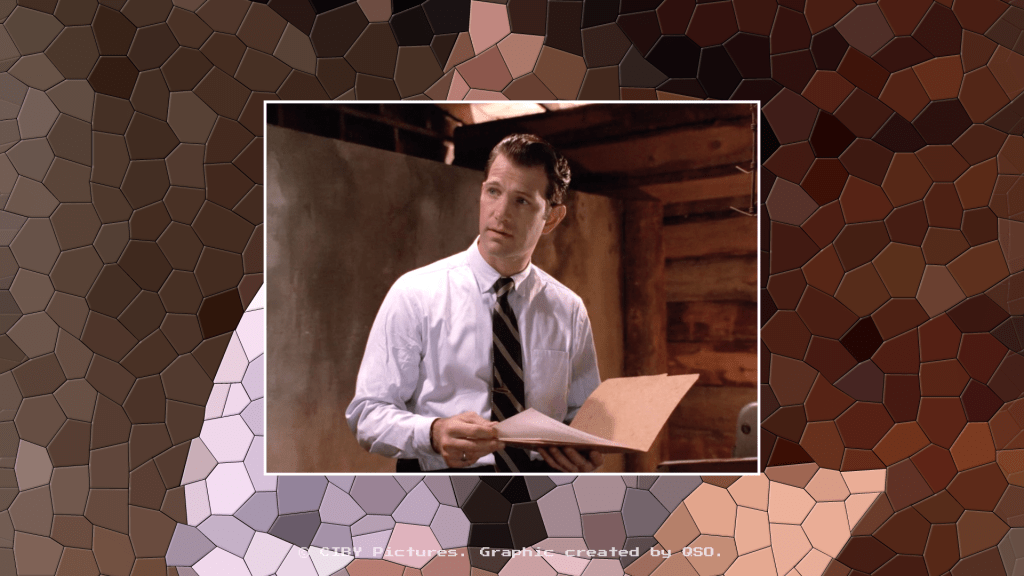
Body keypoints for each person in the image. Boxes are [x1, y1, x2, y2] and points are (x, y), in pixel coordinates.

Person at [346, 134, 604, 473]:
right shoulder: (414, 294)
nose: (500, 213)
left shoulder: (568, 310)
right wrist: (433, 433)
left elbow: (583, 417)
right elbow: (367, 414)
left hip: (541, 486)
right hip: (441, 487)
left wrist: (587, 448)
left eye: (521, 201)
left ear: (552, 218)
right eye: (494, 192)